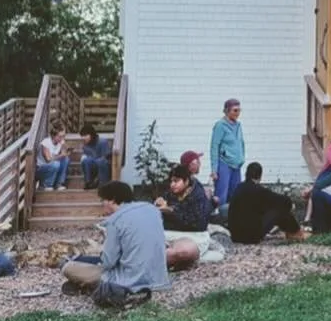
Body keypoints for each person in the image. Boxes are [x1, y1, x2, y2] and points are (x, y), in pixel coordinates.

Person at [61, 180, 200, 306]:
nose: (102, 204)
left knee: (68, 267)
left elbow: (108, 262)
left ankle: (88, 285)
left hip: (130, 280)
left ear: (112, 200)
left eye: (103, 200)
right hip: (158, 277)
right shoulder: (152, 210)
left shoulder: (115, 221)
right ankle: (85, 284)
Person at [228, 161, 309, 244]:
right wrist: (291, 205)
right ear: (260, 176)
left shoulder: (239, 188)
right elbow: (284, 201)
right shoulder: (259, 191)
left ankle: (292, 232)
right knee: (281, 210)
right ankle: (295, 232)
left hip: (235, 236)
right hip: (251, 237)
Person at [155, 161, 212, 232]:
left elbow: (198, 224)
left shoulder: (197, 194)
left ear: (186, 181)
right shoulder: (175, 189)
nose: (172, 184)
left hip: (194, 232)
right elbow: (165, 197)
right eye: (171, 181)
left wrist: (172, 211)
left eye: (176, 181)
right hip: (174, 228)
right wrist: (160, 200)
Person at [209, 97, 246, 206]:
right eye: (235, 110)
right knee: (222, 195)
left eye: (239, 110)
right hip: (224, 163)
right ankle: (219, 218)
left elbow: (241, 143)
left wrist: (242, 158)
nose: (238, 113)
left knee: (235, 195)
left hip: (236, 165)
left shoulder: (238, 125)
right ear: (227, 110)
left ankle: (231, 220)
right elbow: (214, 147)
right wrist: (214, 169)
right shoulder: (220, 125)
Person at [37, 122, 69, 190]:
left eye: (63, 136)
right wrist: (60, 155)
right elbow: (48, 159)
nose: (62, 138)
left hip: (53, 166)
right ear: (54, 135)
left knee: (66, 160)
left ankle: (59, 184)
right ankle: (46, 185)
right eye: (60, 136)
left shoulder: (60, 142)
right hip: (41, 168)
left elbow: (64, 154)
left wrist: (64, 146)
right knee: (56, 164)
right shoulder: (46, 142)